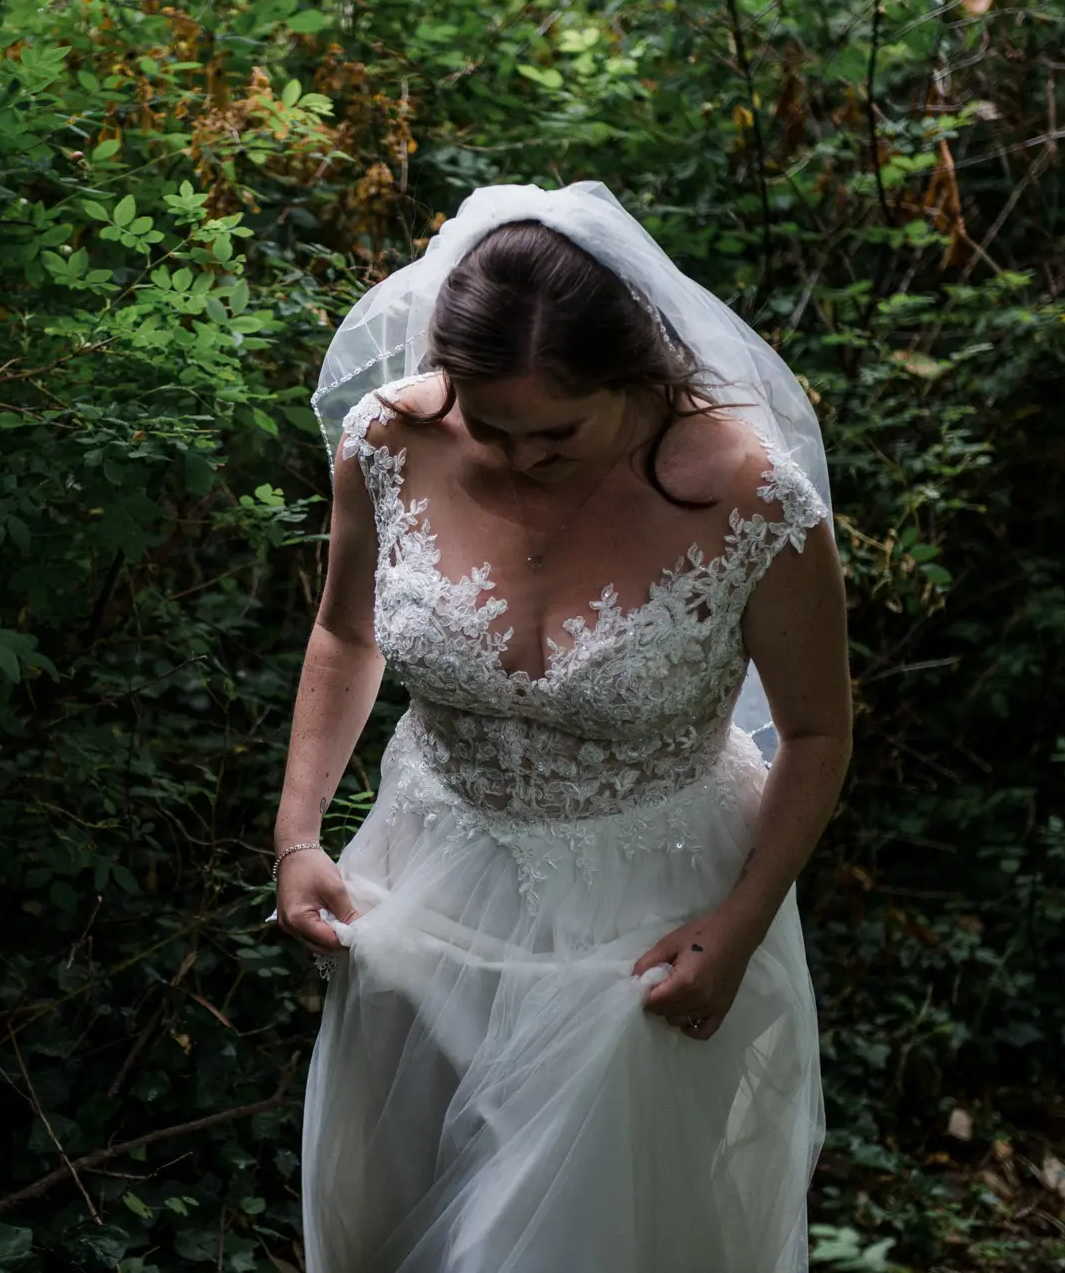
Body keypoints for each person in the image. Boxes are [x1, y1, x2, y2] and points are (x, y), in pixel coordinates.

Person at [270, 181, 852, 1271]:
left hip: (649, 921)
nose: (520, 456)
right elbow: (346, 631)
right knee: (402, 1223)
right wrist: (298, 836)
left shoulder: (752, 500)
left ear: (636, 377)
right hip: (424, 887)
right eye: (488, 425)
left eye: (555, 433)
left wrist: (737, 923)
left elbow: (816, 732)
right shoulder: (388, 442)